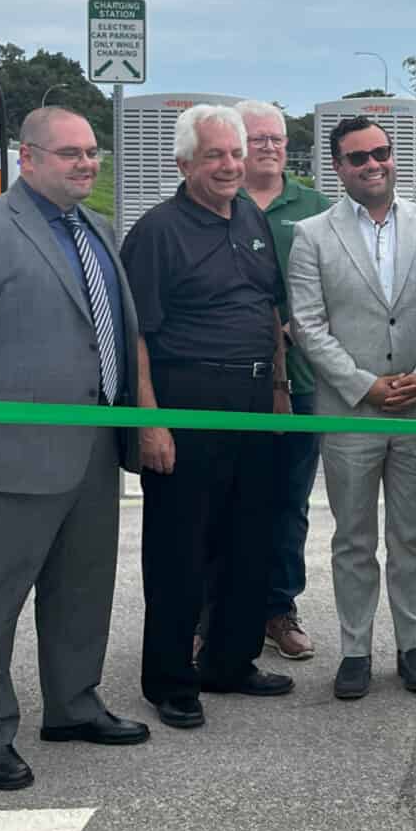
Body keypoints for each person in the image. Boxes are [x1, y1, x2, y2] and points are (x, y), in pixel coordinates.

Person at [0, 106, 153, 792]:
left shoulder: (99, 230)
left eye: (92, 153)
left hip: (93, 449)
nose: (87, 164)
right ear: (28, 157)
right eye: (70, 154)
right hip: (9, 453)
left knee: (82, 592)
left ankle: (73, 706)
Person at [120, 105, 295, 731]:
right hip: (186, 406)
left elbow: (269, 308)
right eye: (216, 155)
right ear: (184, 164)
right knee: (179, 549)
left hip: (254, 404)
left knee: (249, 539)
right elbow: (135, 334)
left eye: (236, 154)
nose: (230, 166)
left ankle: (230, 660)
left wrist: (278, 389)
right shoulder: (158, 232)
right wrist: (150, 422)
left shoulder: (249, 216)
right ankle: (170, 679)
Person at [289, 117, 416, 700]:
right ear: (338, 167)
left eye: (381, 153)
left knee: (412, 537)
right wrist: (365, 386)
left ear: (393, 157)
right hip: (350, 413)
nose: (372, 164)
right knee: (353, 538)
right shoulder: (313, 235)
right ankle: (355, 649)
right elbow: (308, 326)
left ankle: (412, 645)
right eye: (357, 158)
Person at [236, 100, 327, 661]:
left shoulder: (314, 207)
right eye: (257, 139)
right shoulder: (221, 200)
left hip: (303, 379)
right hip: (234, 383)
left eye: (276, 138)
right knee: (229, 496)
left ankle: (278, 607)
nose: (269, 147)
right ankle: (216, 611)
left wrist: (305, 330)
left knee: (290, 500)